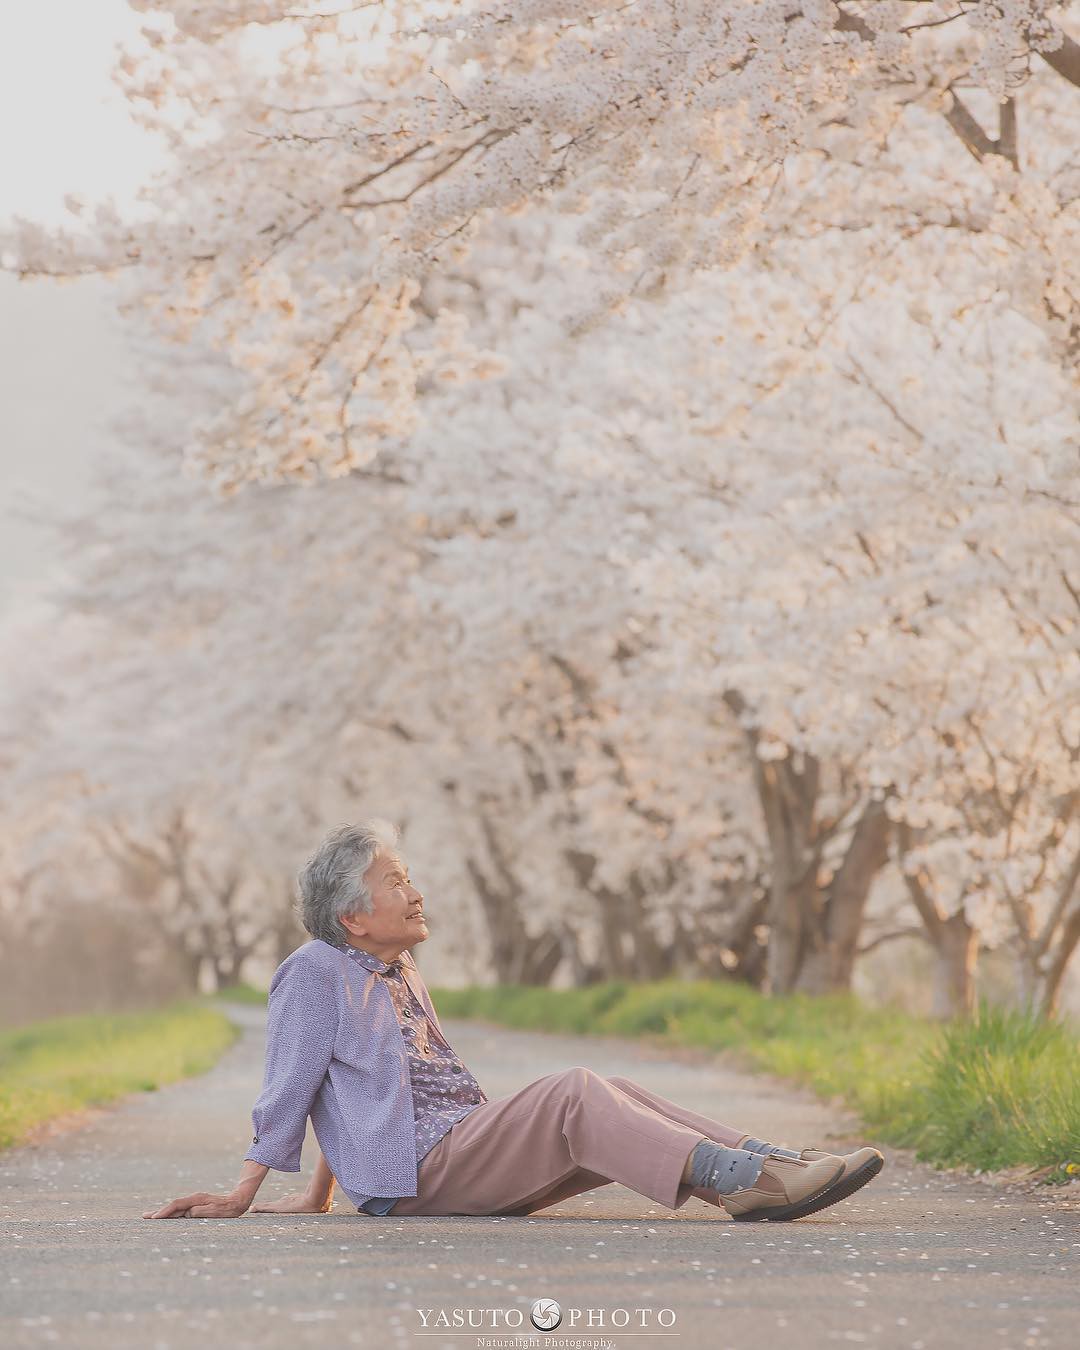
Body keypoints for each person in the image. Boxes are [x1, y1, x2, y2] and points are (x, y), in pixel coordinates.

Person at [143, 820, 884, 1222]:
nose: (416, 892)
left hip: (446, 1151)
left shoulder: (395, 967)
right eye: (395, 882)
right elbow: (294, 1082)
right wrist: (243, 1191)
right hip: (421, 1173)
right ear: (353, 919)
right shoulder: (312, 971)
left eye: (409, 877)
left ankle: (769, 1172)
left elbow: (365, 1090)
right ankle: (756, 1180)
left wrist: (320, 1193)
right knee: (573, 1093)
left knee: (615, 1094)